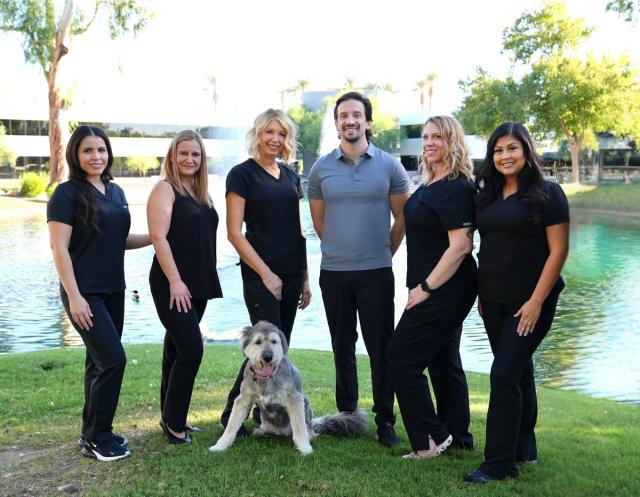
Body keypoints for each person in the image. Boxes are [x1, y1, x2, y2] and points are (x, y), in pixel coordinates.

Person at [464, 122, 569, 483]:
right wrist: (481, 295)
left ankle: (498, 463)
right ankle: (525, 447)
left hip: (532, 301)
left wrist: (537, 301)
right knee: (519, 371)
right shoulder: (487, 193)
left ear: (526, 151)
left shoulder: (548, 193)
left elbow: (558, 251)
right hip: (492, 299)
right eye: (498, 150)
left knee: (504, 374)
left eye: (512, 148)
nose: (505, 156)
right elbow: (487, 247)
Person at [308, 92, 410, 447]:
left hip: (377, 272)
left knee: (381, 347)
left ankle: (385, 420)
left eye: (356, 115)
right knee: (342, 344)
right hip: (334, 272)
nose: (350, 121)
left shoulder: (389, 166)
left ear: (368, 121)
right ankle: (347, 415)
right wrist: (342, 249)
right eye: (343, 116)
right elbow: (320, 223)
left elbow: (402, 219)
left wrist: (383, 252)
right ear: (336, 123)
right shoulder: (321, 168)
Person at [47, 125, 150, 461]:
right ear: (76, 155)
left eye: (101, 150)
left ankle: (90, 433)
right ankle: (98, 439)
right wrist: (73, 296)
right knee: (112, 360)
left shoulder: (116, 192)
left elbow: (118, 240)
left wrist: (157, 237)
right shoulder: (66, 194)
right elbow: (60, 249)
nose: (96, 156)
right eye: (88, 150)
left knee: (97, 362)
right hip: (84, 292)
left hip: (113, 290)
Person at [386, 116, 477, 459]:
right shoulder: (429, 183)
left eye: (436, 137)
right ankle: (458, 437)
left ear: (451, 141)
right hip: (433, 285)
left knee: (400, 359)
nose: (428, 143)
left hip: (445, 288)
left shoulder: (456, 186)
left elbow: (461, 246)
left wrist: (425, 287)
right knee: (443, 361)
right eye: (425, 137)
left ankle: (431, 439)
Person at [220, 109, 311, 434]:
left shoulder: (289, 175)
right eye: (269, 132)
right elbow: (234, 232)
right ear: (257, 134)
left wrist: (304, 276)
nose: (275, 139)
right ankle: (234, 414)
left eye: (282, 134)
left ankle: (264, 415)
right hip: (261, 276)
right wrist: (266, 274)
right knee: (261, 348)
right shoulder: (241, 175)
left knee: (277, 350)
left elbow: (299, 230)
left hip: (291, 273)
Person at [147, 130, 223, 444]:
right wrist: (175, 282)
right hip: (172, 283)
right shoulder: (165, 189)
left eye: (195, 154)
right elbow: (158, 238)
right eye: (183, 153)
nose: (189, 159)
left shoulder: (201, 192)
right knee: (192, 350)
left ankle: (170, 416)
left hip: (199, 282)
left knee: (176, 349)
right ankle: (175, 424)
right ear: (172, 156)